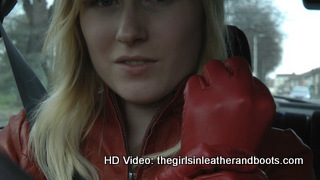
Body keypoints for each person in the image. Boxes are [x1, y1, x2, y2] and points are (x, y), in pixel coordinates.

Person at [0, 0, 316, 179]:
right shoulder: (26, 140)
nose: (129, 32)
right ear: (77, 23)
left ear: (203, 15)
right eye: (103, 1)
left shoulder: (279, 156)